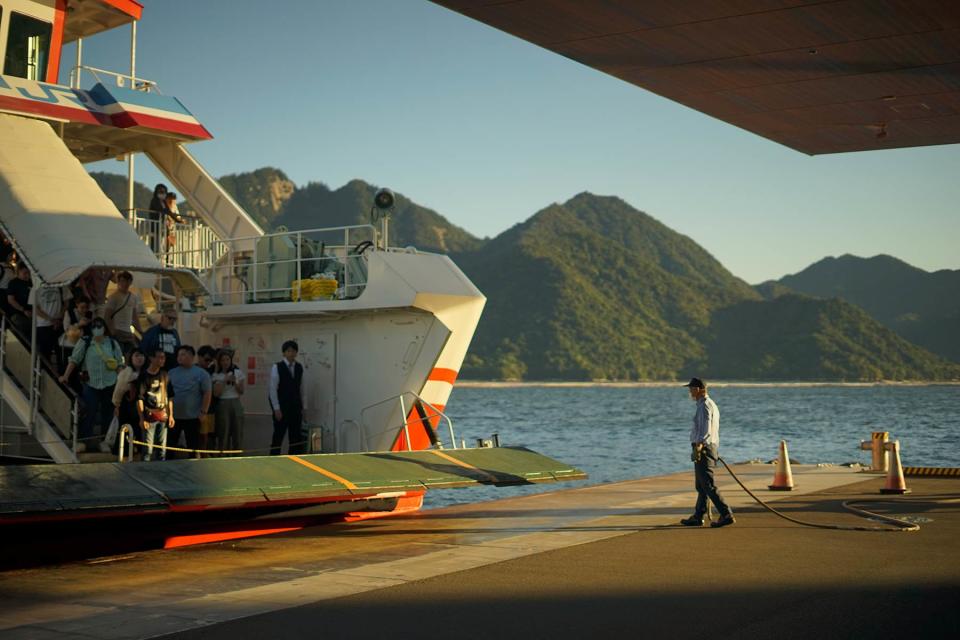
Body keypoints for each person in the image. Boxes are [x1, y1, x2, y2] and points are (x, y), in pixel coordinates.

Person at [59, 318, 124, 452]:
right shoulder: (85, 342)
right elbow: (74, 360)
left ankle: (105, 441)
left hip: (110, 382)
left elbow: (119, 364)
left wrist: (123, 381)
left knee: (108, 413)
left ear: (105, 327)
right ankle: (83, 441)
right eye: (94, 326)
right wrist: (65, 376)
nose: (97, 328)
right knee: (89, 412)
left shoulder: (112, 343)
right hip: (90, 383)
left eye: (100, 325)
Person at [680, 378, 735, 528]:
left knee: (708, 485)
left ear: (698, 389)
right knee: (702, 485)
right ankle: (698, 515)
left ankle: (726, 514)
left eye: (691, 389)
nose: (689, 392)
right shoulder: (708, 404)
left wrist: (699, 446)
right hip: (707, 447)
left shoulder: (704, 406)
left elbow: (706, 430)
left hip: (704, 448)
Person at [167, 345, 211, 456]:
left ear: (191, 356)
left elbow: (207, 393)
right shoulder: (171, 373)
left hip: (193, 416)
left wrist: (203, 412)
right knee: (170, 446)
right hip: (174, 417)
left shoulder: (201, 373)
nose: (180, 357)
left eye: (183, 354)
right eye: (178, 355)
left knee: (193, 446)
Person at [104, 348, 146, 454]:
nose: (139, 358)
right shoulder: (126, 372)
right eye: (136, 355)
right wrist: (117, 406)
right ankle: (123, 451)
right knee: (126, 428)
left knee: (138, 429)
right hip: (127, 405)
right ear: (131, 358)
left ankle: (138, 449)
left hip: (141, 405)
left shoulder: (145, 372)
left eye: (141, 355)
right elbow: (118, 391)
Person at [269, 340, 306, 455]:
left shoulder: (299, 367)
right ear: (284, 353)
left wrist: (304, 407)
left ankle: (294, 459)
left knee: (295, 436)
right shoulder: (277, 367)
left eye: (293, 351)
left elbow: (303, 389)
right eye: (288, 351)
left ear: (296, 353)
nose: (291, 353)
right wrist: (276, 408)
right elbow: (272, 389)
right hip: (282, 407)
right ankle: (273, 459)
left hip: (295, 407)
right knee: (278, 436)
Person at [138, 349, 174, 462]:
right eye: (159, 357)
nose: (162, 360)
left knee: (162, 449)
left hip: (163, 413)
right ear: (151, 358)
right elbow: (140, 399)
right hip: (149, 414)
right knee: (147, 449)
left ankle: (161, 473)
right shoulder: (143, 376)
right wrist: (142, 418)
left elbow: (170, 397)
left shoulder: (165, 375)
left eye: (163, 357)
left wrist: (171, 415)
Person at [101, 271, 145, 356]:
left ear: (130, 282)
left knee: (131, 355)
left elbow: (134, 316)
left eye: (127, 281)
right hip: (117, 332)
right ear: (118, 282)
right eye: (123, 281)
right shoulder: (113, 297)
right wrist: (113, 332)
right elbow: (107, 316)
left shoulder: (133, 297)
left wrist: (141, 331)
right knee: (117, 356)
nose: (125, 284)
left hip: (128, 332)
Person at [30, 280, 72, 367]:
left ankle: (61, 375)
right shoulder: (36, 286)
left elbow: (67, 303)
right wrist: (51, 319)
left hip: (59, 324)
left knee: (61, 352)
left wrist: (59, 317)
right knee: (45, 353)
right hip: (43, 325)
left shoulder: (61, 284)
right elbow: (35, 308)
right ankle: (44, 374)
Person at [212, 347, 244, 454]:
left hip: (236, 402)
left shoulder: (238, 372)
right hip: (223, 404)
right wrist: (224, 380)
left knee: (237, 432)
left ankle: (237, 456)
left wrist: (235, 382)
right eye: (223, 360)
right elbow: (216, 393)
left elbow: (241, 391)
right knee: (223, 432)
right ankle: (223, 456)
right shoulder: (216, 375)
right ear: (219, 362)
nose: (225, 362)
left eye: (227, 359)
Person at [196, 345, 218, 455]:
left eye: (211, 360)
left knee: (210, 436)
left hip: (212, 409)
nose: (208, 362)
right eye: (206, 359)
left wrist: (216, 364)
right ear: (199, 357)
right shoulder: (194, 370)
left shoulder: (214, 370)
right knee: (201, 437)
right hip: (198, 409)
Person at [6, 263, 32, 338]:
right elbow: (11, 300)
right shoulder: (13, 283)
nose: (27, 275)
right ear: (18, 272)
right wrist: (23, 310)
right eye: (25, 273)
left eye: (28, 273)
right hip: (18, 314)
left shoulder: (31, 283)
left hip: (32, 313)